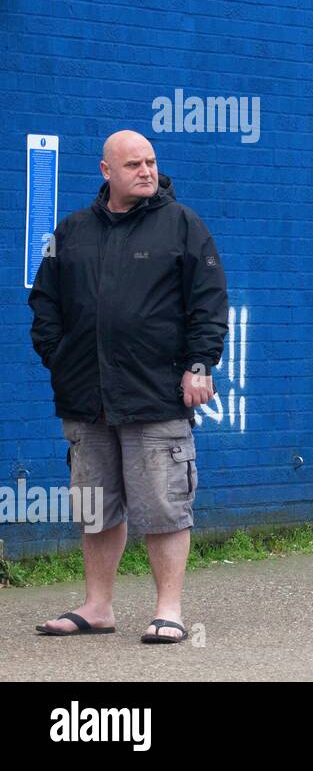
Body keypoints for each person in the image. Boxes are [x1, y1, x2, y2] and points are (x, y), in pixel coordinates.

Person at [29, 130, 229, 642]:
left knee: (163, 505)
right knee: (94, 506)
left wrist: (200, 365)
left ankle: (169, 610)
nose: (146, 171)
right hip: (86, 397)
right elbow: (44, 304)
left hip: (155, 393)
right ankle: (97, 607)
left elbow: (208, 305)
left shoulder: (183, 226)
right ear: (106, 172)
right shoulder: (70, 232)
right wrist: (60, 359)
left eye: (151, 161)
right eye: (134, 164)